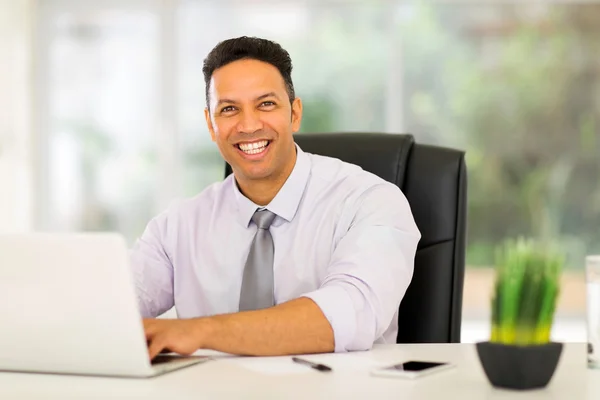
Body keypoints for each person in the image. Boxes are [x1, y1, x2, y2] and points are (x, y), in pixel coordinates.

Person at [133, 36, 421, 360]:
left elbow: (350, 313)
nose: (249, 124)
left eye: (266, 104)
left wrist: (201, 331)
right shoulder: (176, 227)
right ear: (211, 125)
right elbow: (109, 308)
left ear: (294, 114)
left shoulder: (370, 201)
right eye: (229, 109)